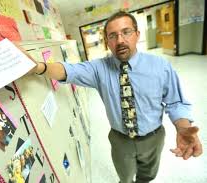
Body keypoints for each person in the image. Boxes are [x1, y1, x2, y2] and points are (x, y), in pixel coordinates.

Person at [21, 11, 203, 183]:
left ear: (137, 34)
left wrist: (183, 128)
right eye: (113, 35)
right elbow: (68, 70)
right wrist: (39, 67)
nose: (120, 40)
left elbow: (175, 101)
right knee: (124, 176)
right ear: (107, 41)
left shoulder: (160, 66)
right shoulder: (99, 69)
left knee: (148, 175)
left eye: (126, 32)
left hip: (153, 137)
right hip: (120, 139)